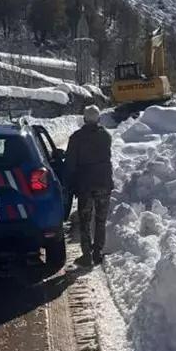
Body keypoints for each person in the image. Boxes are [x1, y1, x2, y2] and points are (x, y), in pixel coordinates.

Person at [65, 105, 113, 266]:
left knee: (85, 220)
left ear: (84, 119)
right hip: (104, 183)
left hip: (85, 185)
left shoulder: (76, 138)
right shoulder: (106, 136)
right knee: (100, 220)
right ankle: (98, 252)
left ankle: (86, 254)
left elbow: (70, 165)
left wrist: (69, 184)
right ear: (99, 118)